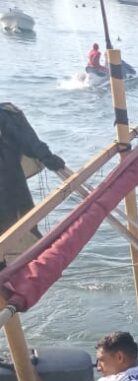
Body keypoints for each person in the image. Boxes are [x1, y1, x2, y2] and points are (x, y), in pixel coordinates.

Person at [0, 102, 65, 266]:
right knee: (17, 232)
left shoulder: (7, 115)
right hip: (9, 190)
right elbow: (30, 145)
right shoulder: (8, 114)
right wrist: (48, 158)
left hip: (8, 187)